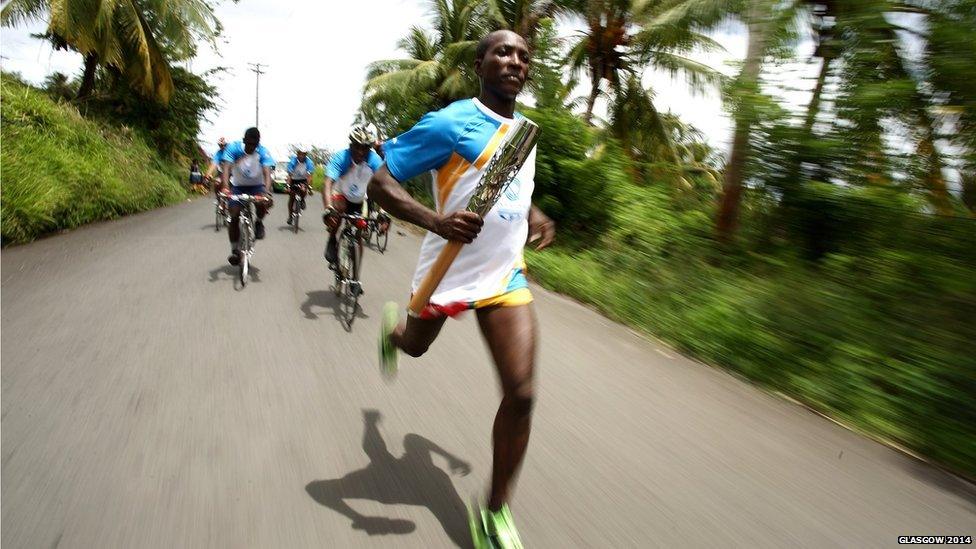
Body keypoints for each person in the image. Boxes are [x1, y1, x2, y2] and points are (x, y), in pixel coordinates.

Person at [367, 30, 555, 549]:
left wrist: (534, 213)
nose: (514, 61)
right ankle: (395, 334)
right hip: (447, 271)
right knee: (415, 345)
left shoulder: (524, 132)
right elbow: (381, 184)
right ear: (481, 63)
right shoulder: (452, 121)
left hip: (502, 276)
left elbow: (510, 188)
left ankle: (494, 513)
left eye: (522, 55)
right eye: (502, 52)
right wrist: (436, 220)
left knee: (522, 393)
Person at [322, 125, 383, 268]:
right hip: (340, 195)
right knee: (337, 211)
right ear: (351, 145)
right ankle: (332, 239)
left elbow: (384, 187)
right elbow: (327, 184)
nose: (361, 152)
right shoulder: (341, 158)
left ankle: (355, 277)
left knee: (359, 234)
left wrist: (383, 212)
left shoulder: (374, 160)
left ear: (370, 148)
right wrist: (328, 208)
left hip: (359, 200)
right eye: (357, 146)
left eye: (365, 148)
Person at [218, 127, 275, 265]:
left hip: (257, 186)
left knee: (263, 202)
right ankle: (234, 250)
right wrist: (226, 188)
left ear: (258, 143)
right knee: (234, 216)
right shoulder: (234, 148)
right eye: (249, 143)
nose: (251, 147)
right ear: (244, 140)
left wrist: (267, 192)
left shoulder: (263, 152)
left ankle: (259, 222)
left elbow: (267, 173)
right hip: (237, 186)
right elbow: (226, 168)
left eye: (254, 144)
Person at [286, 148, 315, 225]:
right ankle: (290, 216)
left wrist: (308, 187)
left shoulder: (309, 162)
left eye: (304, 154)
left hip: (303, 179)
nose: (302, 156)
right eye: (300, 154)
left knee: (303, 189)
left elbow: (309, 176)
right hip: (293, 179)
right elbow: (289, 175)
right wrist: (288, 186)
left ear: (306, 155)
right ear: (297, 154)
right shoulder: (293, 161)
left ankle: (302, 200)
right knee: (291, 197)